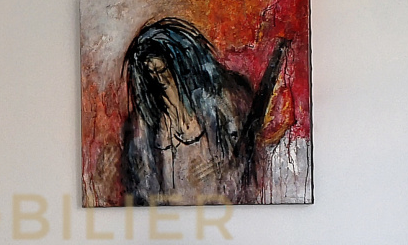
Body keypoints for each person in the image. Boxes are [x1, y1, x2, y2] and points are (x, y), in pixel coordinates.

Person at [121, 17, 285, 205]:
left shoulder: (223, 103)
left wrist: (222, 168)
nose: (159, 80)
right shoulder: (144, 124)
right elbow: (141, 186)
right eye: (151, 74)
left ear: (181, 67)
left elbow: (248, 161)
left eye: (162, 70)